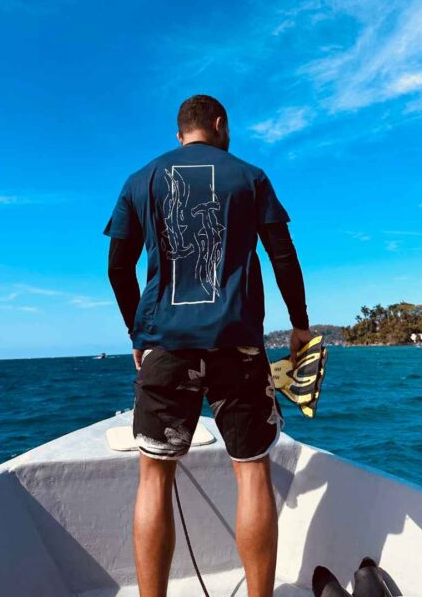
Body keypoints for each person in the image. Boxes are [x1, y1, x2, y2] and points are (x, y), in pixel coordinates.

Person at [103, 94, 312, 597]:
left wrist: (139, 332)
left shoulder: (140, 180)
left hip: (165, 344)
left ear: (180, 134)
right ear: (219, 125)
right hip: (238, 345)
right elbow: (283, 256)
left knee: (154, 478)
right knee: (252, 473)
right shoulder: (251, 176)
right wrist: (300, 326)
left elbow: (117, 267)